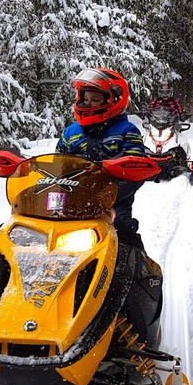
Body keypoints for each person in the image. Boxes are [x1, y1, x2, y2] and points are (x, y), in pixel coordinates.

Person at [56, 67, 148, 251]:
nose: (88, 104)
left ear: (113, 99)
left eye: (95, 99)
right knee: (26, 227)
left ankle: (142, 273)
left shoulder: (127, 131)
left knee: (123, 231)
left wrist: (108, 196)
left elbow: (135, 169)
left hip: (113, 200)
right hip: (72, 197)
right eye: (85, 98)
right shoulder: (71, 132)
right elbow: (56, 164)